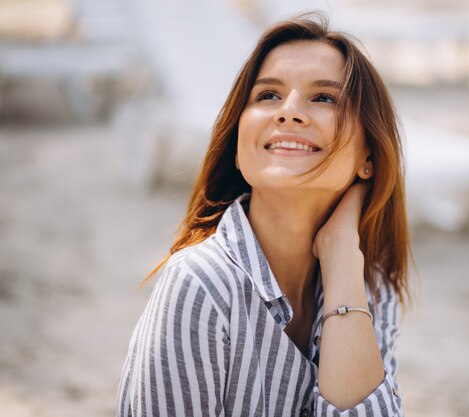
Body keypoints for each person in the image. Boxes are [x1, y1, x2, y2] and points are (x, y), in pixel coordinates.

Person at [117, 13, 410, 417]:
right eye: (267, 96)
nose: (288, 112)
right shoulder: (200, 283)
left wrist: (343, 260)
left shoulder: (372, 287)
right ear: (239, 147)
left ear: (369, 157)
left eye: (324, 97)